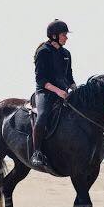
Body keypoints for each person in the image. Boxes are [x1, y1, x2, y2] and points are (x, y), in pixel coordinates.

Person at [31, 20, 76, 169]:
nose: (66, 38)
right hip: (45, 92)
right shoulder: (43, 51)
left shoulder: (66, 54)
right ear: (54, 35)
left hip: (63, 93)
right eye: (64, 35)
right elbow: (41, 79)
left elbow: (69, 77)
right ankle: (36, 152)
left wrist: (75, 89)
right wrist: (58, 91)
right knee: (43, 116)